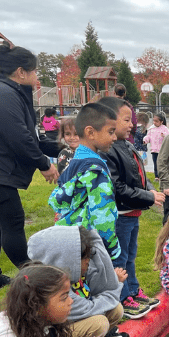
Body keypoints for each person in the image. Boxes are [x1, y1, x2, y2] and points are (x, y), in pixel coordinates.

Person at [0, 44, 61, 295]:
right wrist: (44, 164)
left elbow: (30, 138)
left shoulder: (2, 91)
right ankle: (33, 280)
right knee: (13, 222)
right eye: (35, 72)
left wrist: (62, 149)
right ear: (21, 72)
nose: (37, 78)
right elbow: (18, 137)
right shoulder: (0, 93)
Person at [99, 96, 164, 318]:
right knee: (119, 257)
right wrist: (147, 196)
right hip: (120, 213)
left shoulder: (126, 145)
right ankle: (122, 297)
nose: (131, 125)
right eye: (126, 120)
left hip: (132, 212)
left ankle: (133, 290)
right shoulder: (107, 150)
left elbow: (138, 176)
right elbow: (116, 187)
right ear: (108, 120)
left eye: (131, 120)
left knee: (130, 254)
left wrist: (150, 192)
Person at [28, 225, 132, 337]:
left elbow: (105, 286)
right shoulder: (53, 288)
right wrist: (117, 285)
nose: (89, 260)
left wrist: (95, 240)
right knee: (99, 323)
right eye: (85, 257)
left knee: (116, 309)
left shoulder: (76, 272)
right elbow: (90, 309)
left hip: (75, 322)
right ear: (67, 259)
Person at [49, 102, 120, 260]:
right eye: (111, 132)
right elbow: (103, 215)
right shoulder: (96, 171)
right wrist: (112, 249)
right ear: (90, 132)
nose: (115, 137)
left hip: (73, 242)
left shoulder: (75, 162)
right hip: (92, 248)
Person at [143, 112, 169, 178]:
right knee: (155, 164)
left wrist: (164, 135)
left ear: (161, 122)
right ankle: (156, 177)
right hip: (154, 150)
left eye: (156, 121)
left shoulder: (164, 128)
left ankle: (164, 175)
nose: (154, 122)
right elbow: (148, 136)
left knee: (162, 164)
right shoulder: (151, 129)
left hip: (162, 150)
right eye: (153, 121)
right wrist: (145, 140)